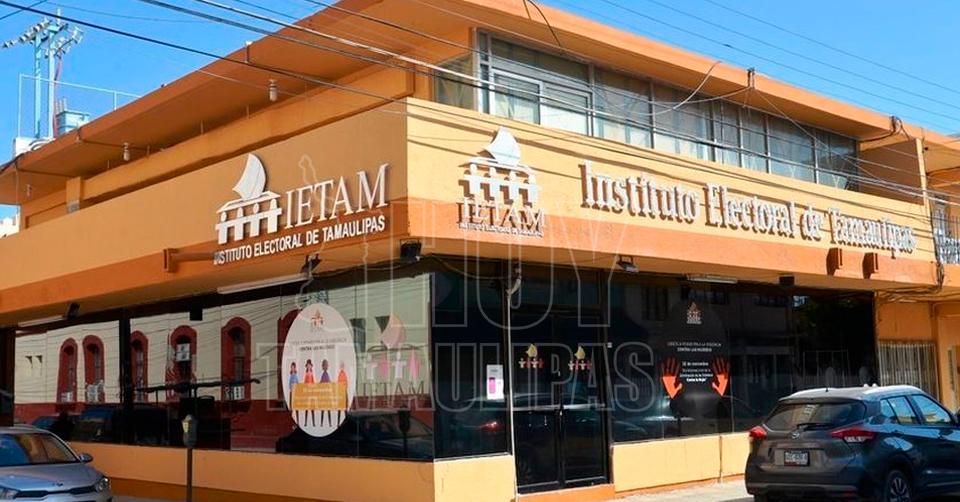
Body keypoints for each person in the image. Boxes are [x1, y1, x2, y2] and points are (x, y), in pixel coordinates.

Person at [319, 359, 332, 427]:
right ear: (323, 366)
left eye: (327, 365)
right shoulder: (324, 375)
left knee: (328, 410)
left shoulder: (327, 374)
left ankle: (329, 423)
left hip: (327, 395)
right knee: (323, 410)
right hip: (324, 395)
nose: (326, 366)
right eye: (325, 365)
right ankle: (322, 423)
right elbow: (321, 383)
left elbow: (328, 383)